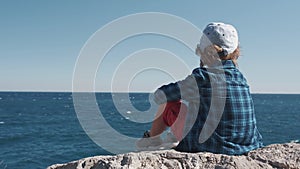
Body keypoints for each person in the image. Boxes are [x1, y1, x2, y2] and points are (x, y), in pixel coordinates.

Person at [136, 22, 263, 155]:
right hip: (247, 146)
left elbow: (159, 96)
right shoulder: (240, 78)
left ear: (202, 50)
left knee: (169, 103)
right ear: (235, 51)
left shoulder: (203, 77)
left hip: (211, 147)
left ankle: (151, 139)